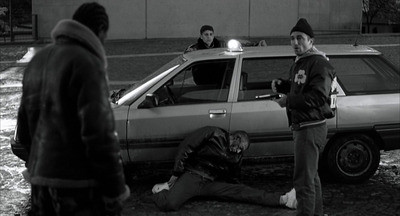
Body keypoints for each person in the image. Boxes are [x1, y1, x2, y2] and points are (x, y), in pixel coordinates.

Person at [16, 2, 130, 215]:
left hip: (41, 186)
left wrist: (39, 167)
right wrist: (115, 191)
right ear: (100, 31)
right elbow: (100, 135)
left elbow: (23, 130)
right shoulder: (87, 63)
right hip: (79, 188)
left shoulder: (37, 61)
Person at [271, 18, 336, 216]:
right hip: (303, 126)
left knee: (303, 181)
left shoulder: (319, 63)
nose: (295, 42)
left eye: (300, 38)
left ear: (311, 41)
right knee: (311, 177)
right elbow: (300, 86)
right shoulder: (302, 62)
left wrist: (288, 100)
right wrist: (283, 85)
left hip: (310, 127)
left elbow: (317, 97)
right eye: (292, 38)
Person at [151, 126, 297, 211]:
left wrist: (238, 189)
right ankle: (159, 190)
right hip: (193, 175)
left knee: (243, 191)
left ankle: (284, 199)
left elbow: (234, 177)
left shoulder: (237, 156)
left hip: (211, 183)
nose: (239, 152)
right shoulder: (214, 133)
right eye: (240, 148)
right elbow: (186, 147)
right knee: (169, 204)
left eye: (241, 151)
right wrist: (176, 174)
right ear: (236, 138)